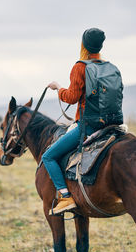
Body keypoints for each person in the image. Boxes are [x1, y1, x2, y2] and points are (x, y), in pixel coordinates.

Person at [43, 28, 107, 215]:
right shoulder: (108, 67)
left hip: (88, 126)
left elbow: (71, 97)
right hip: (111, 124)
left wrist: (58, 88)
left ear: (84, 44)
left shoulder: (81, 67)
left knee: (48, 156)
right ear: (101, 45)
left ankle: (65, 196)